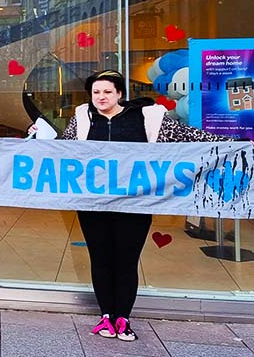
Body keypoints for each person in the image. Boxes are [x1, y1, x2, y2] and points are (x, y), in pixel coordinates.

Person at [31, 69, 230, 342]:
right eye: (96, 93)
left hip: (135, 205)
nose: (101, 97)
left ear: (120, 94)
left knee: (125, 261)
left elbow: (189, 137)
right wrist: (40, 139)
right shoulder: (83, 120)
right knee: (100, 260)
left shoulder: (148, 118)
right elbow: (63, 154)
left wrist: (235, 146)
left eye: (107, 92)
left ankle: (122, 318)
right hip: (93, 205)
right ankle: (105, 317)